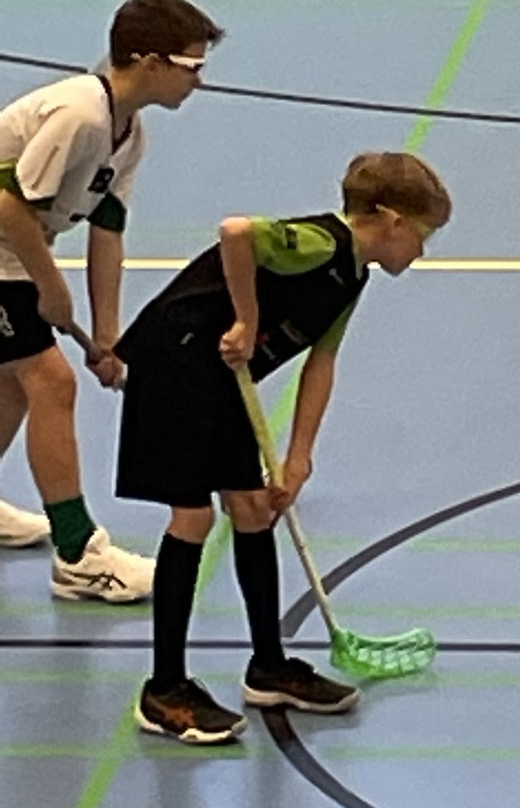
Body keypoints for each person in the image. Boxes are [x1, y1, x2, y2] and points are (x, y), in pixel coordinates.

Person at [115, 150, 452, 746]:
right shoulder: (321, 244)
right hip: (175, 357)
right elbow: (236, 233)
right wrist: (246, 320)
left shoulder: (352, 277)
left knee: (253, 508)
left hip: (219, 376)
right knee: (193, 517)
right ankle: (164, 690)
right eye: (423, 236)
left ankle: (268, 668)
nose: (422, 252)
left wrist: (300, 457)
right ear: (392, 220)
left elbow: (321, 362)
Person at [0, 0, 223, 601]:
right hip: (5, 248)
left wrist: (108, 337)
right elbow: (9, 206)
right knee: (51, 380)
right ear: (149, 62)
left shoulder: (130, 134)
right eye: (191, 66)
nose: (198, 81)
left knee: (12, 386)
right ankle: (79, 557)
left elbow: (108, 233)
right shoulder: (81, 115)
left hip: (14, 252)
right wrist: (51, 289)